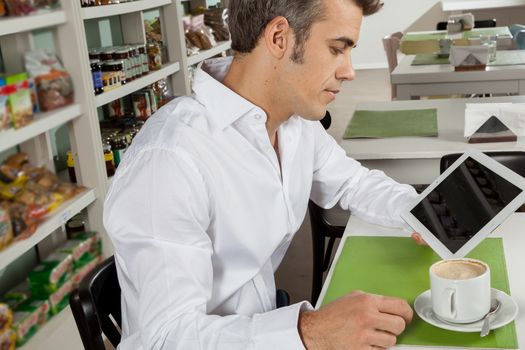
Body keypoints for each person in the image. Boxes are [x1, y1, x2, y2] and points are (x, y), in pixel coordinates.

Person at [104, 0, 420, 348]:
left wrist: (423, 213)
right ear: (279, 37)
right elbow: (163, 339)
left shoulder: (294, 121)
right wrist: (309, 333)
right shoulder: (169, 161)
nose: (349, 71)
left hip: (263, 323)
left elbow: (352, 182)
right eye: (336, 49)